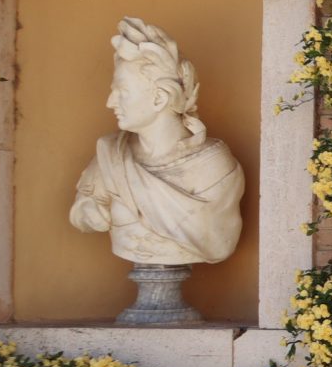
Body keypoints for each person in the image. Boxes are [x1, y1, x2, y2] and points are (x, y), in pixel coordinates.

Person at [69, 16, 245, 267]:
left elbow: (218, 241)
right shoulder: (109, 154)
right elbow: (84, 210)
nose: (110, 102)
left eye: (122, 91)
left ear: (159, 98)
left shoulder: (213, 167)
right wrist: (87, 211)